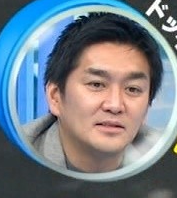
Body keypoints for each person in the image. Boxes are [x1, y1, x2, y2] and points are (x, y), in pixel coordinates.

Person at [20, 12, 163, 174]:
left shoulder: (170, 163)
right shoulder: (12, 157)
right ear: (55, 97)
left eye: (132, 89)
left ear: (147, 106)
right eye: (96, 84)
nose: (115, 105)